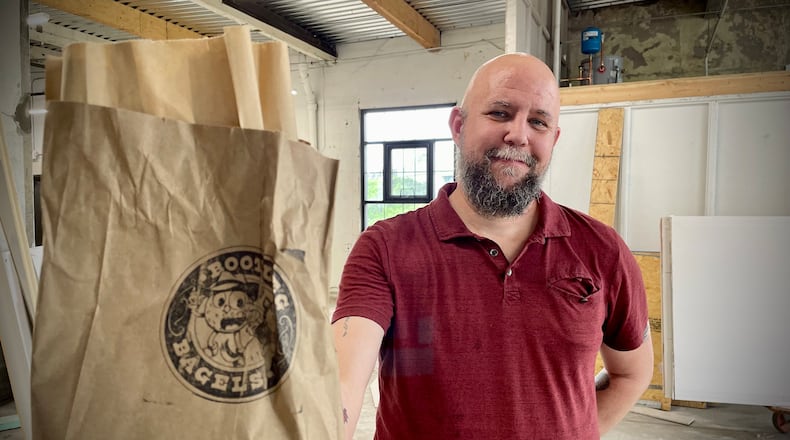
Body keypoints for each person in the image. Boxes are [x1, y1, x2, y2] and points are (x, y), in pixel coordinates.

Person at [331, 53, 653, 439]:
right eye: (500, 113)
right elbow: (342, 387)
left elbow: (631, 373)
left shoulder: (602, 250)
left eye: (538, 121)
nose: (518, 135)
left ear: (553, 138)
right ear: (458, 125)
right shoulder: (385, 248)